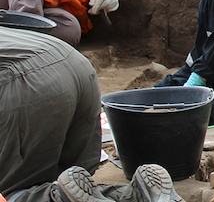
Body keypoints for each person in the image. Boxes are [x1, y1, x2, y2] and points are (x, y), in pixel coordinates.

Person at [1, 26, 177, 202]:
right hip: (75, 65)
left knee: (13, 191)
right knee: (71, 186)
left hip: (29, 82)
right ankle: (135, 196)